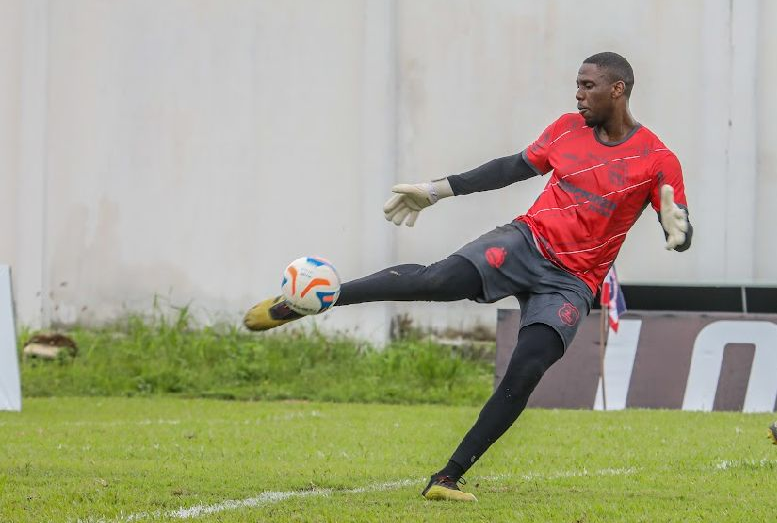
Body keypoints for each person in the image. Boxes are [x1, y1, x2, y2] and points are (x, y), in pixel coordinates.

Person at [244, 52, 693, 502]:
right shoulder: (566, 128)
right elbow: (510, 168)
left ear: (618, 89)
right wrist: (436, 190)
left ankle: (447, 478)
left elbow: (678, 223)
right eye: (577, 84)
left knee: (527, 370)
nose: (578, 94)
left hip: (572, 281)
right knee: (437, 281)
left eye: (588, 85)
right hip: (526, 242)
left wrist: (679, 231)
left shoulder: (657, 159)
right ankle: (316, 299)